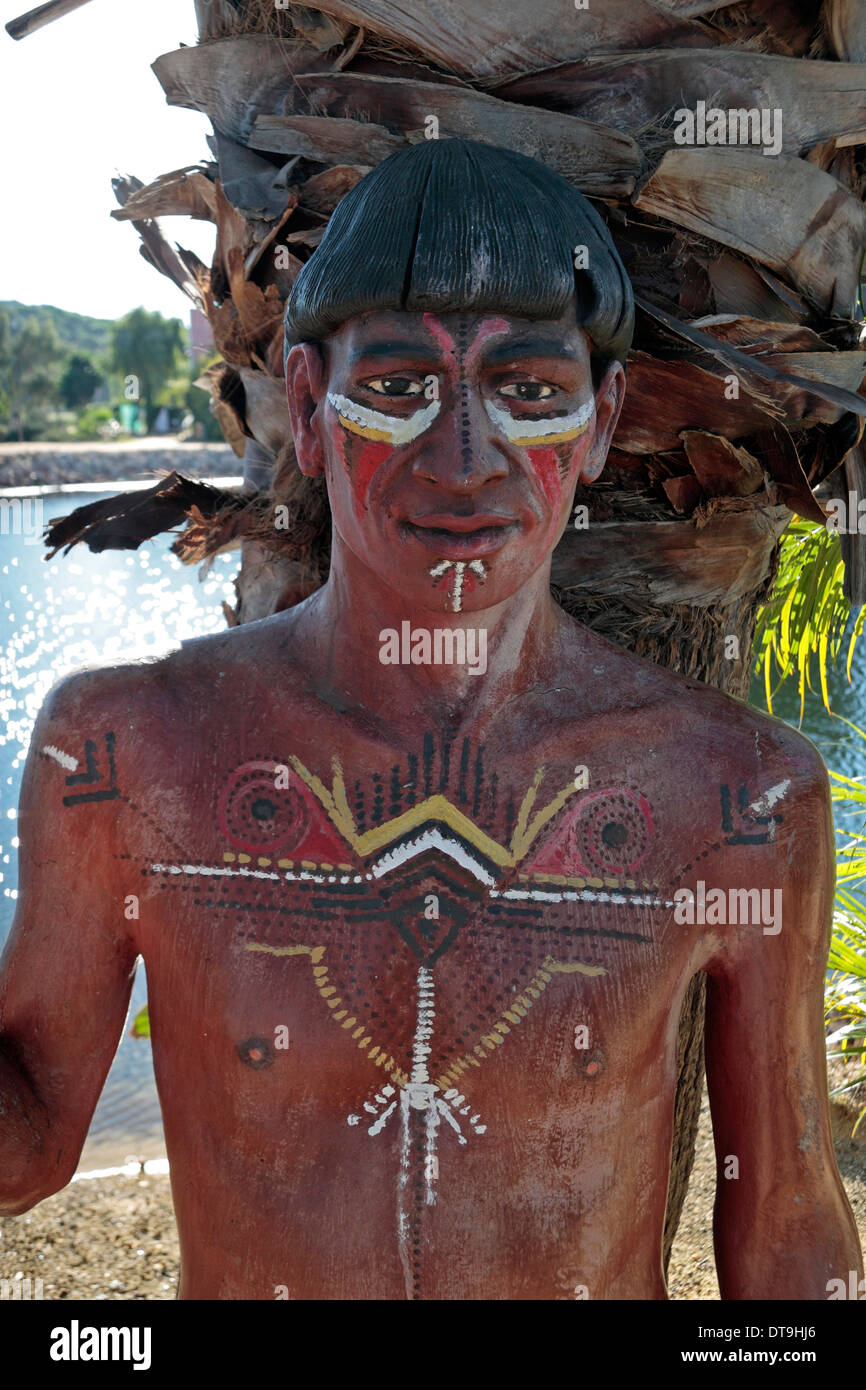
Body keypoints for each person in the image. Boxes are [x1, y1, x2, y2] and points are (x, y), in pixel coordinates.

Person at [0, 139, 861, 1300]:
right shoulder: (125, 752)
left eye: (530, 395)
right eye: (398, 388)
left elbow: (790, 1229)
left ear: (600, 424)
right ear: (307, 409)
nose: (463, 460)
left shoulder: (737, 797)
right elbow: (34, 1139)